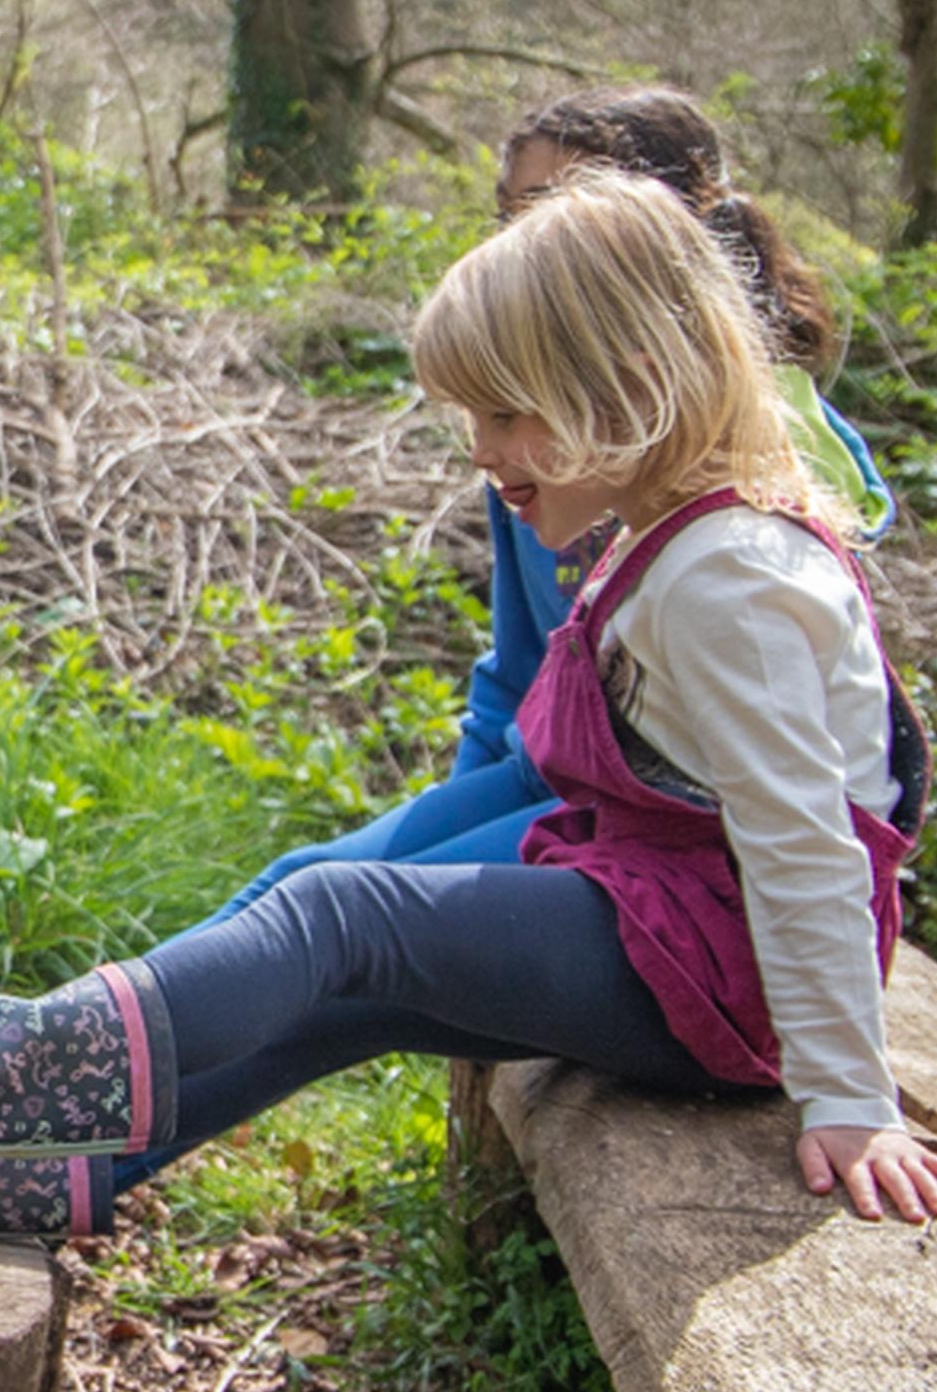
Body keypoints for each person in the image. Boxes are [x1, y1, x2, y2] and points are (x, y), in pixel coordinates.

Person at [0, 172, 937, 1236]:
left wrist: (852, 1099)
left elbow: (804, 842)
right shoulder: (674, 541)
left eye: (508, 414)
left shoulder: (735, 578)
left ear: (627, 385)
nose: (482, 451)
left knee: (344, 922)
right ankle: (17, 1169)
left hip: (723, 980)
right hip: (679, 935)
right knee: (349, 984)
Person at [213, 86, 891, 916]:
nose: (518, 245)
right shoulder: (529, 432)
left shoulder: (743, 471)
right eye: (509, 216)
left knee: (336, 919)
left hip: (659, 831)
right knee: (296, 886)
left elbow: (792, 772)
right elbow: (516, 669)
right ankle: (61, 1039)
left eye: (550, 211)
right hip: (548, 774)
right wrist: (444, 828)